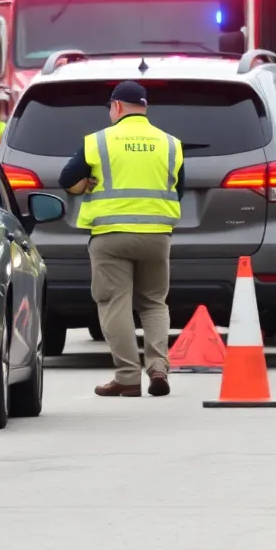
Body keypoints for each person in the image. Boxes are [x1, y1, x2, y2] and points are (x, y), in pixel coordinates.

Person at [58, 80, 183, 398]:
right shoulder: (170, 143)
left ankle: (128, 376)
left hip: (111, 236)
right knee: (154, 302)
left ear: (116, 107)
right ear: (145, 108)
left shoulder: (98, 141)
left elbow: (66, 179)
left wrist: (85, 185)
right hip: (157, 236)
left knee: (115, 303)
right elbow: (177, 188)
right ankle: (158, 368)